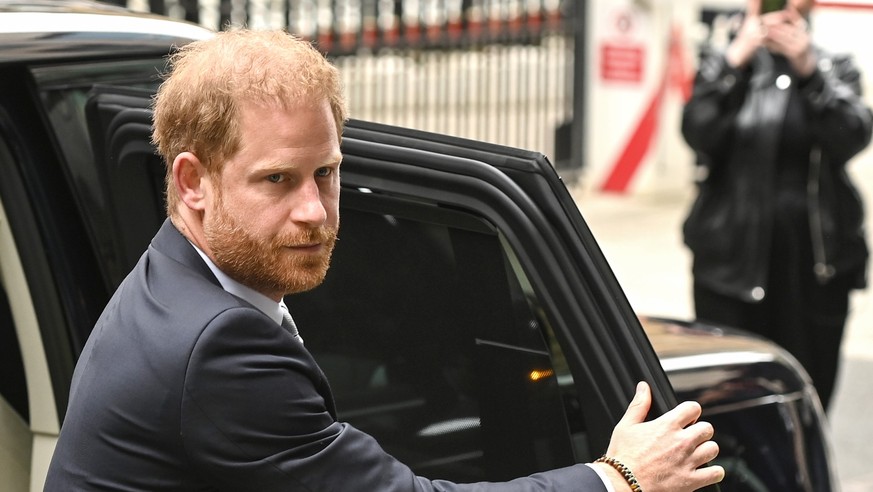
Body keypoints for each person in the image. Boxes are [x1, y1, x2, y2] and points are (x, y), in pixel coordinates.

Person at [44, 28, 723, 491]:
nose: (315, 210)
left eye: (327, 174)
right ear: (192, 182)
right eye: (277, 180)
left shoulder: (172, 280)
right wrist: (619, 476)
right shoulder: (220, 347)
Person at [682, 0, 872, 410]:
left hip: (815, 265)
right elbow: (697, 131)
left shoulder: (834, 65)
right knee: (725, 398)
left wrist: (809, 71)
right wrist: (735, 61)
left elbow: (851, 136)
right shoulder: (725, 62)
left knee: (810, 394)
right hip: (728, 261)